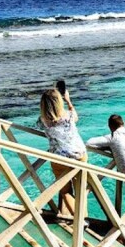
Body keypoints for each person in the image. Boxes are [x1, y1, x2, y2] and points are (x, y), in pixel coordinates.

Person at [37, 88, 88, 216]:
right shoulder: (69, 115)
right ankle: (84, 219)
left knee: (65, 191)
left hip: (59, 159)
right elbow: (75, 116)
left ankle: (79, 220)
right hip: (79, 155)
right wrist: (68, 100)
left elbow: (42, 124)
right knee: (81, 190)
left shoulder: (42, 121)